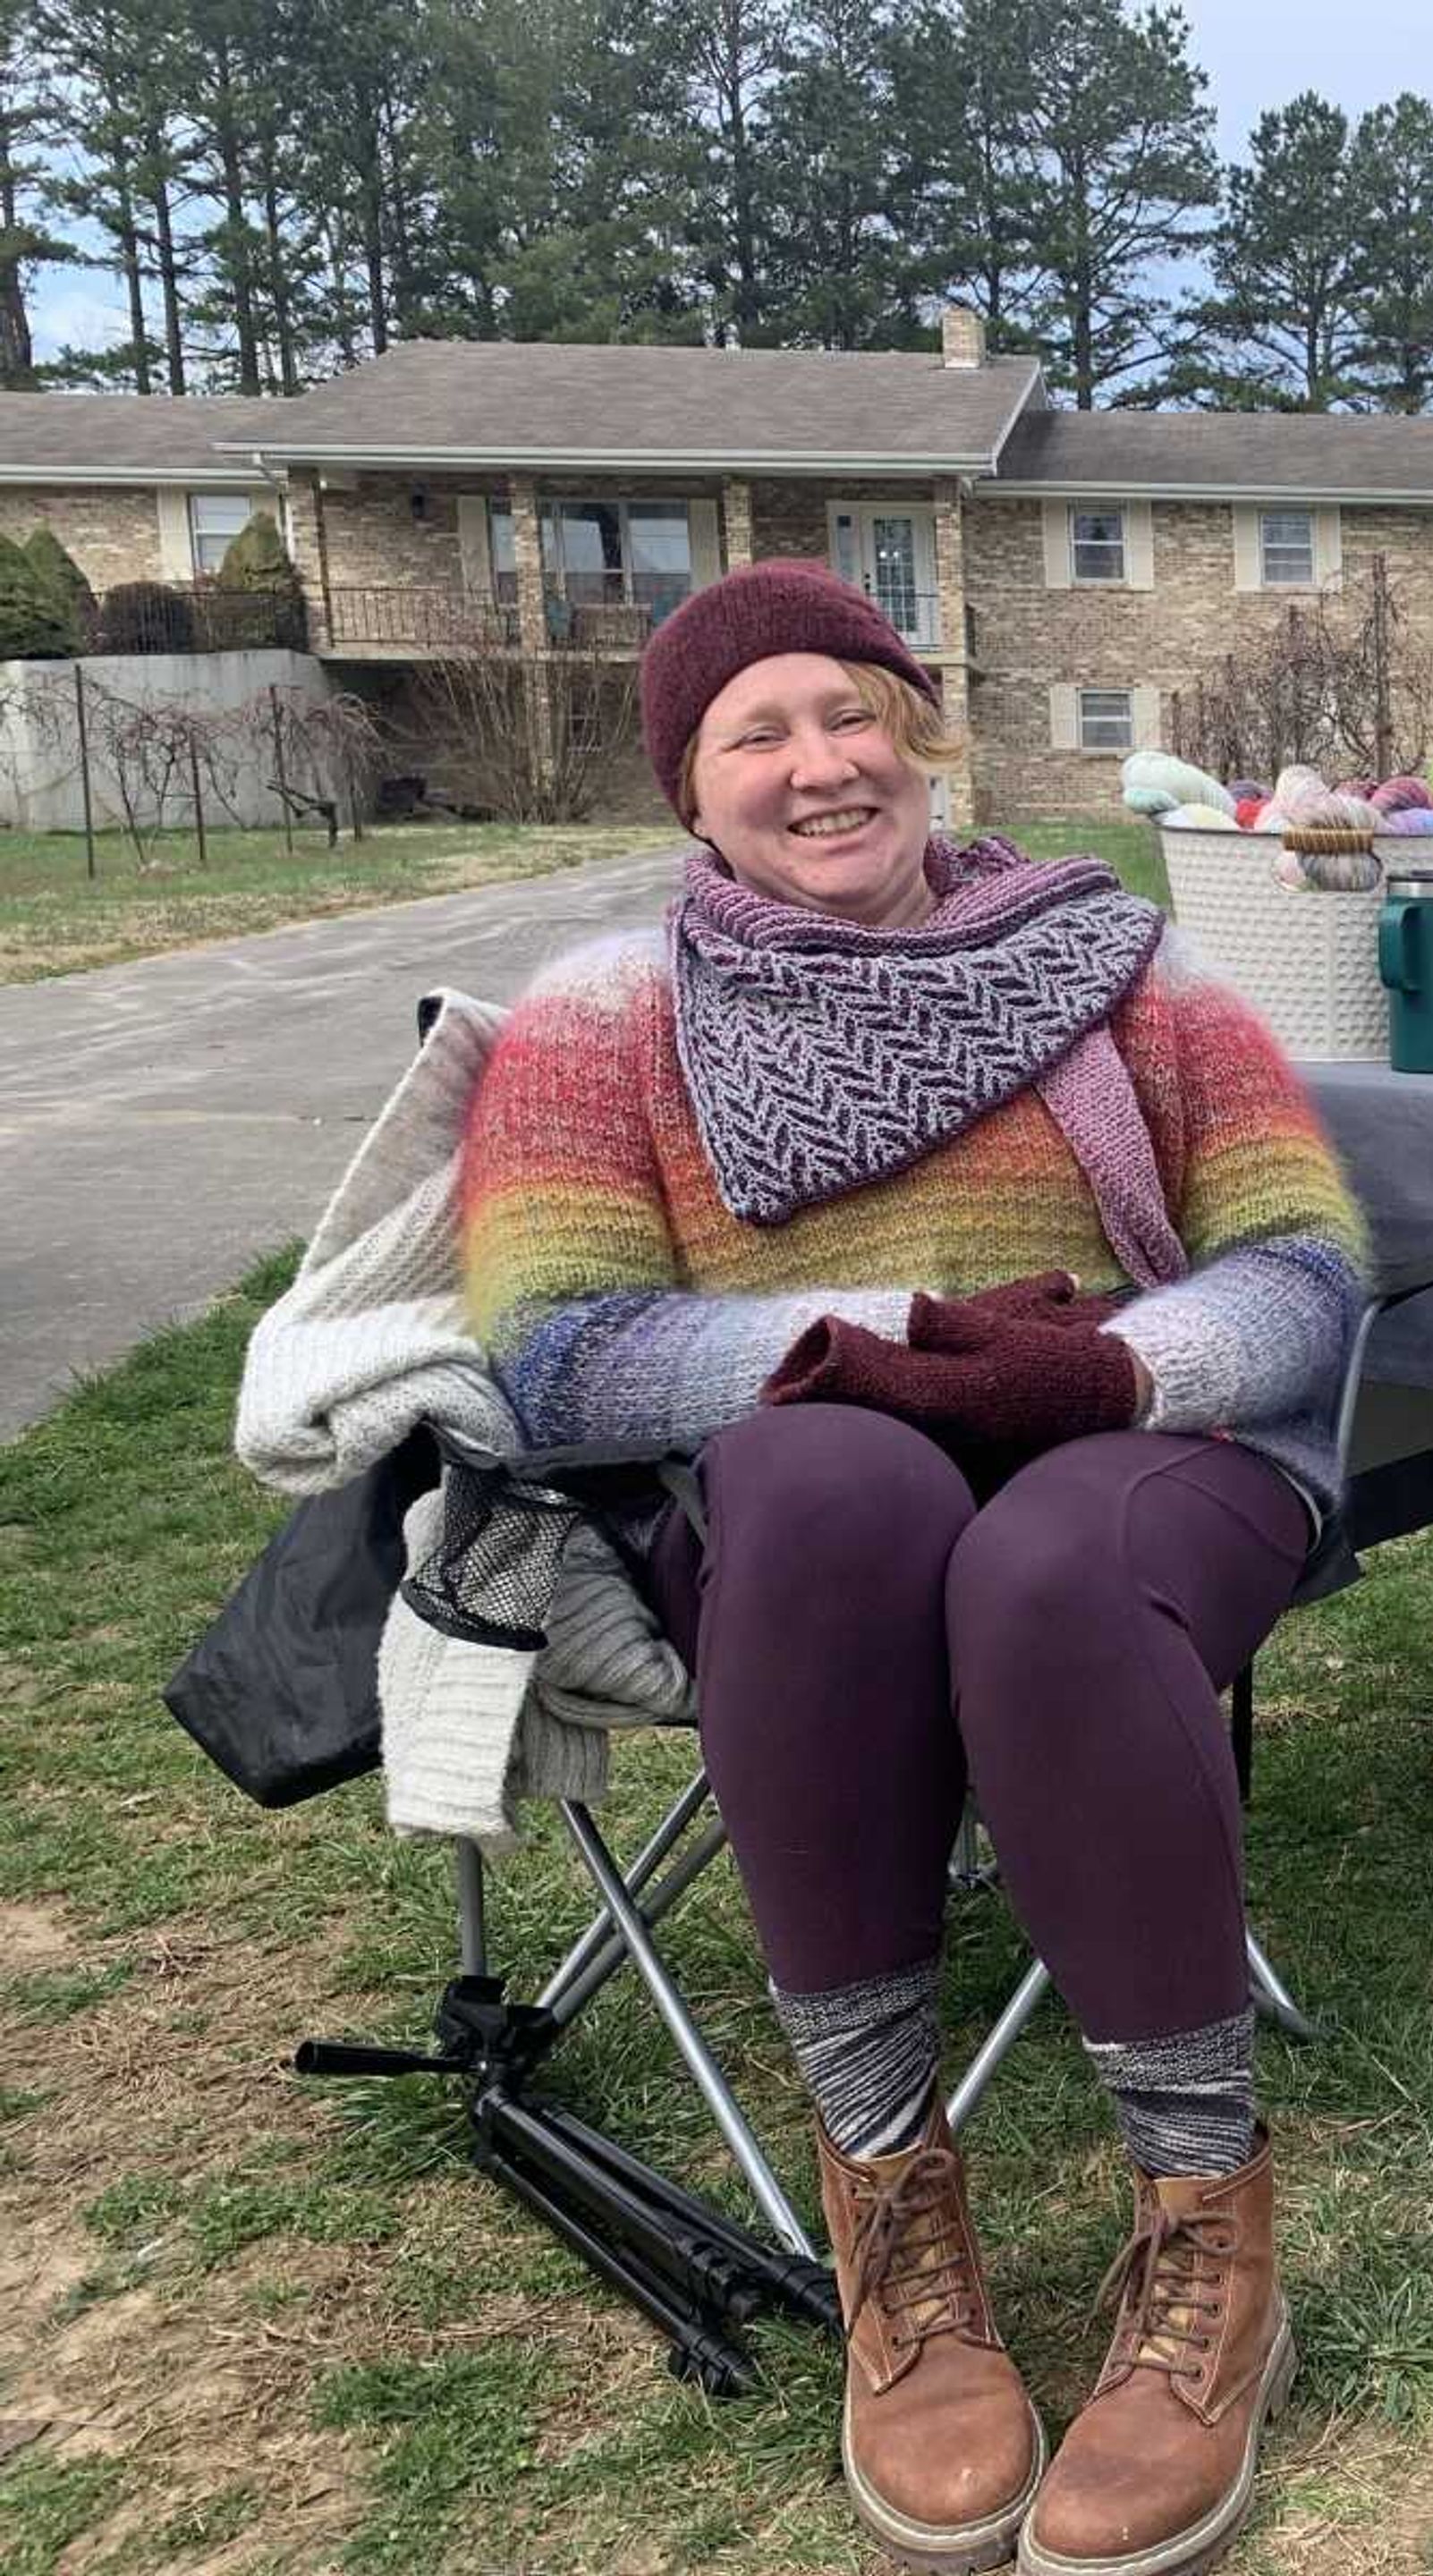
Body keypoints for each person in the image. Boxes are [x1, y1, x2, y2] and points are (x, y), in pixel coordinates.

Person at [456, 560, 1361, 2576]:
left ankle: (1205, 2232)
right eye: (754, 733)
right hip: (806, 1517)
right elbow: (556, 1350)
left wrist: (1105, 1366)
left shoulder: (1131, 964)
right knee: (832, 1483)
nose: (820, 764)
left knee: (1040, 1565)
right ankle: (890, 2195)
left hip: (1145, 1456)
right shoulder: (605, 1017)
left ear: (920, 735)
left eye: (850, 713)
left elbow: (1304, 1266)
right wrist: (864, 1347)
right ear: (690, 792)